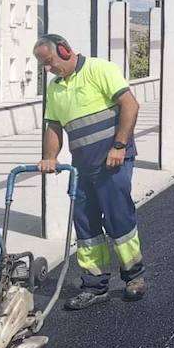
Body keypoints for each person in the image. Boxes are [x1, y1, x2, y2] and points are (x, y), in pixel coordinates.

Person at [34, 34, 145, 310]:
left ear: (65, 50)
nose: (48, 68)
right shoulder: (55, 88)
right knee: (85, 225)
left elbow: (130, 105)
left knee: (118, 218)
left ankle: (134, 277)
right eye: (43, 65)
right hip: (83, 166)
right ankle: (94, 286)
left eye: (49, 61)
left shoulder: (99, 69)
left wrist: (119, 146)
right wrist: (49, 157)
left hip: (113, 161)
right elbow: (53, 126)